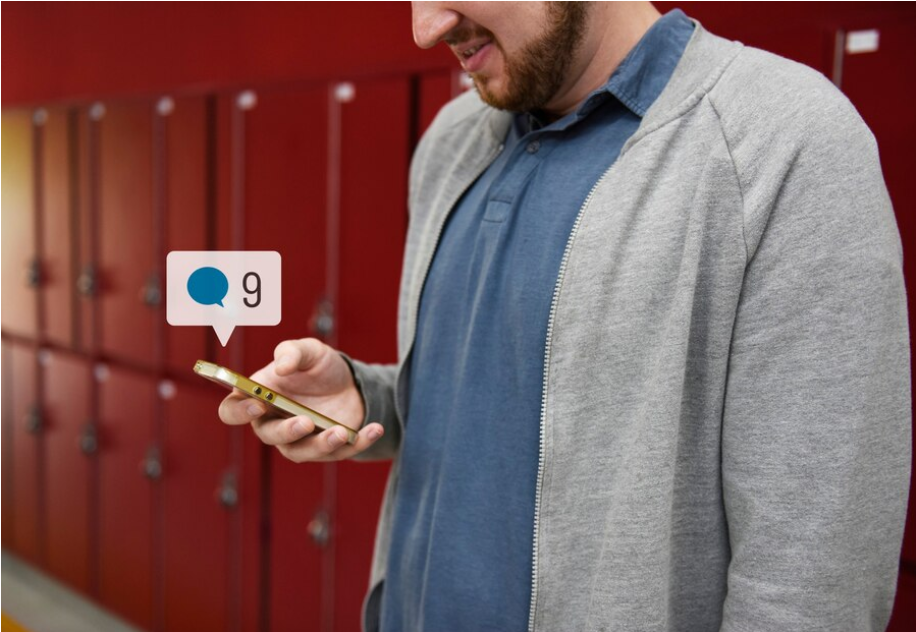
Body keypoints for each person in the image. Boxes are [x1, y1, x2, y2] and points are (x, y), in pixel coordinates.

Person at [219, 2, 912, 631]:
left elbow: (815, 581)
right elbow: (517, 408)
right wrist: (369, 399)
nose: (425, 27)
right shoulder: (454, 139)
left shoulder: (785, 139)